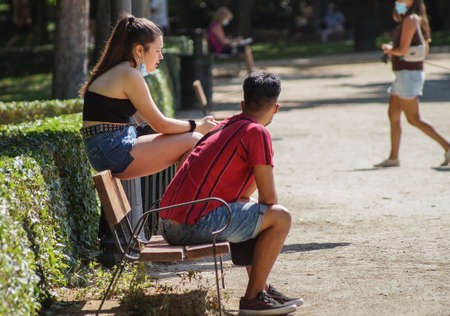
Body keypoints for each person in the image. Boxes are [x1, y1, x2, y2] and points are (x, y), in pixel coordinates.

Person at [159, 72, 303, 315]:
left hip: (168, 222)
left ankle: (262, 288)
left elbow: (243, 198)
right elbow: (270, 201)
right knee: (280, 217)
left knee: (251, 209)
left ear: (243, 104)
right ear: (275, 108)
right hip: (190, 225)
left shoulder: (225, 126)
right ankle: (253, 298)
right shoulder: (256, 132)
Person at [79, 15, 217, 180]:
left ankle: (179, 201)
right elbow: (161, 124)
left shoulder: (121, 71)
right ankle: (179, 202)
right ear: (139, 50)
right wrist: (198, 125)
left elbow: (145, 123)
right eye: (157, 51)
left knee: (190, 139)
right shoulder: (128, 74)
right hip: (113, 150)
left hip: (108, 149)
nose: (161, 57)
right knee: (194, 139)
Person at [375, 0, 450, 167]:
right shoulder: (410, 19)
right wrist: (393, 48)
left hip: (408, 75)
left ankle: (448, 147)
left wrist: (389, 50)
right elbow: (418, 47)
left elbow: (402, 51)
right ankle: (393, 158)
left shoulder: (411, 20)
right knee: (393, 114)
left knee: (414, 119)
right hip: (404, 74)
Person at [208, 7, 255, 73]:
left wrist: (234, 41)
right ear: (222, 17)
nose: (227, 21)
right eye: (227, 19)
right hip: (221, 50)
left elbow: (222, 40)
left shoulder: (215, 25)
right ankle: (251, 70)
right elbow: (223, 42)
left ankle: (250, 69)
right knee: (246, 48)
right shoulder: (216, 26)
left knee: (244, 48)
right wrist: (236, 40)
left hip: (221, 49)